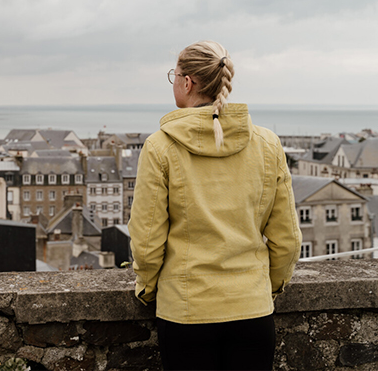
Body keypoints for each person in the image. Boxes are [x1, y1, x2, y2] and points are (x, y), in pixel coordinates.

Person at [128, 41, 302, 371]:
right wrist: (267, 288)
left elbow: (147, 240)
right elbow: (287, 239)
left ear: (187, 82)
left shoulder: (159, 147)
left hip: (186, 311)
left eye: (174, 76)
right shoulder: (267, 144)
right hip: (252, 310)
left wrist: (147, 289)